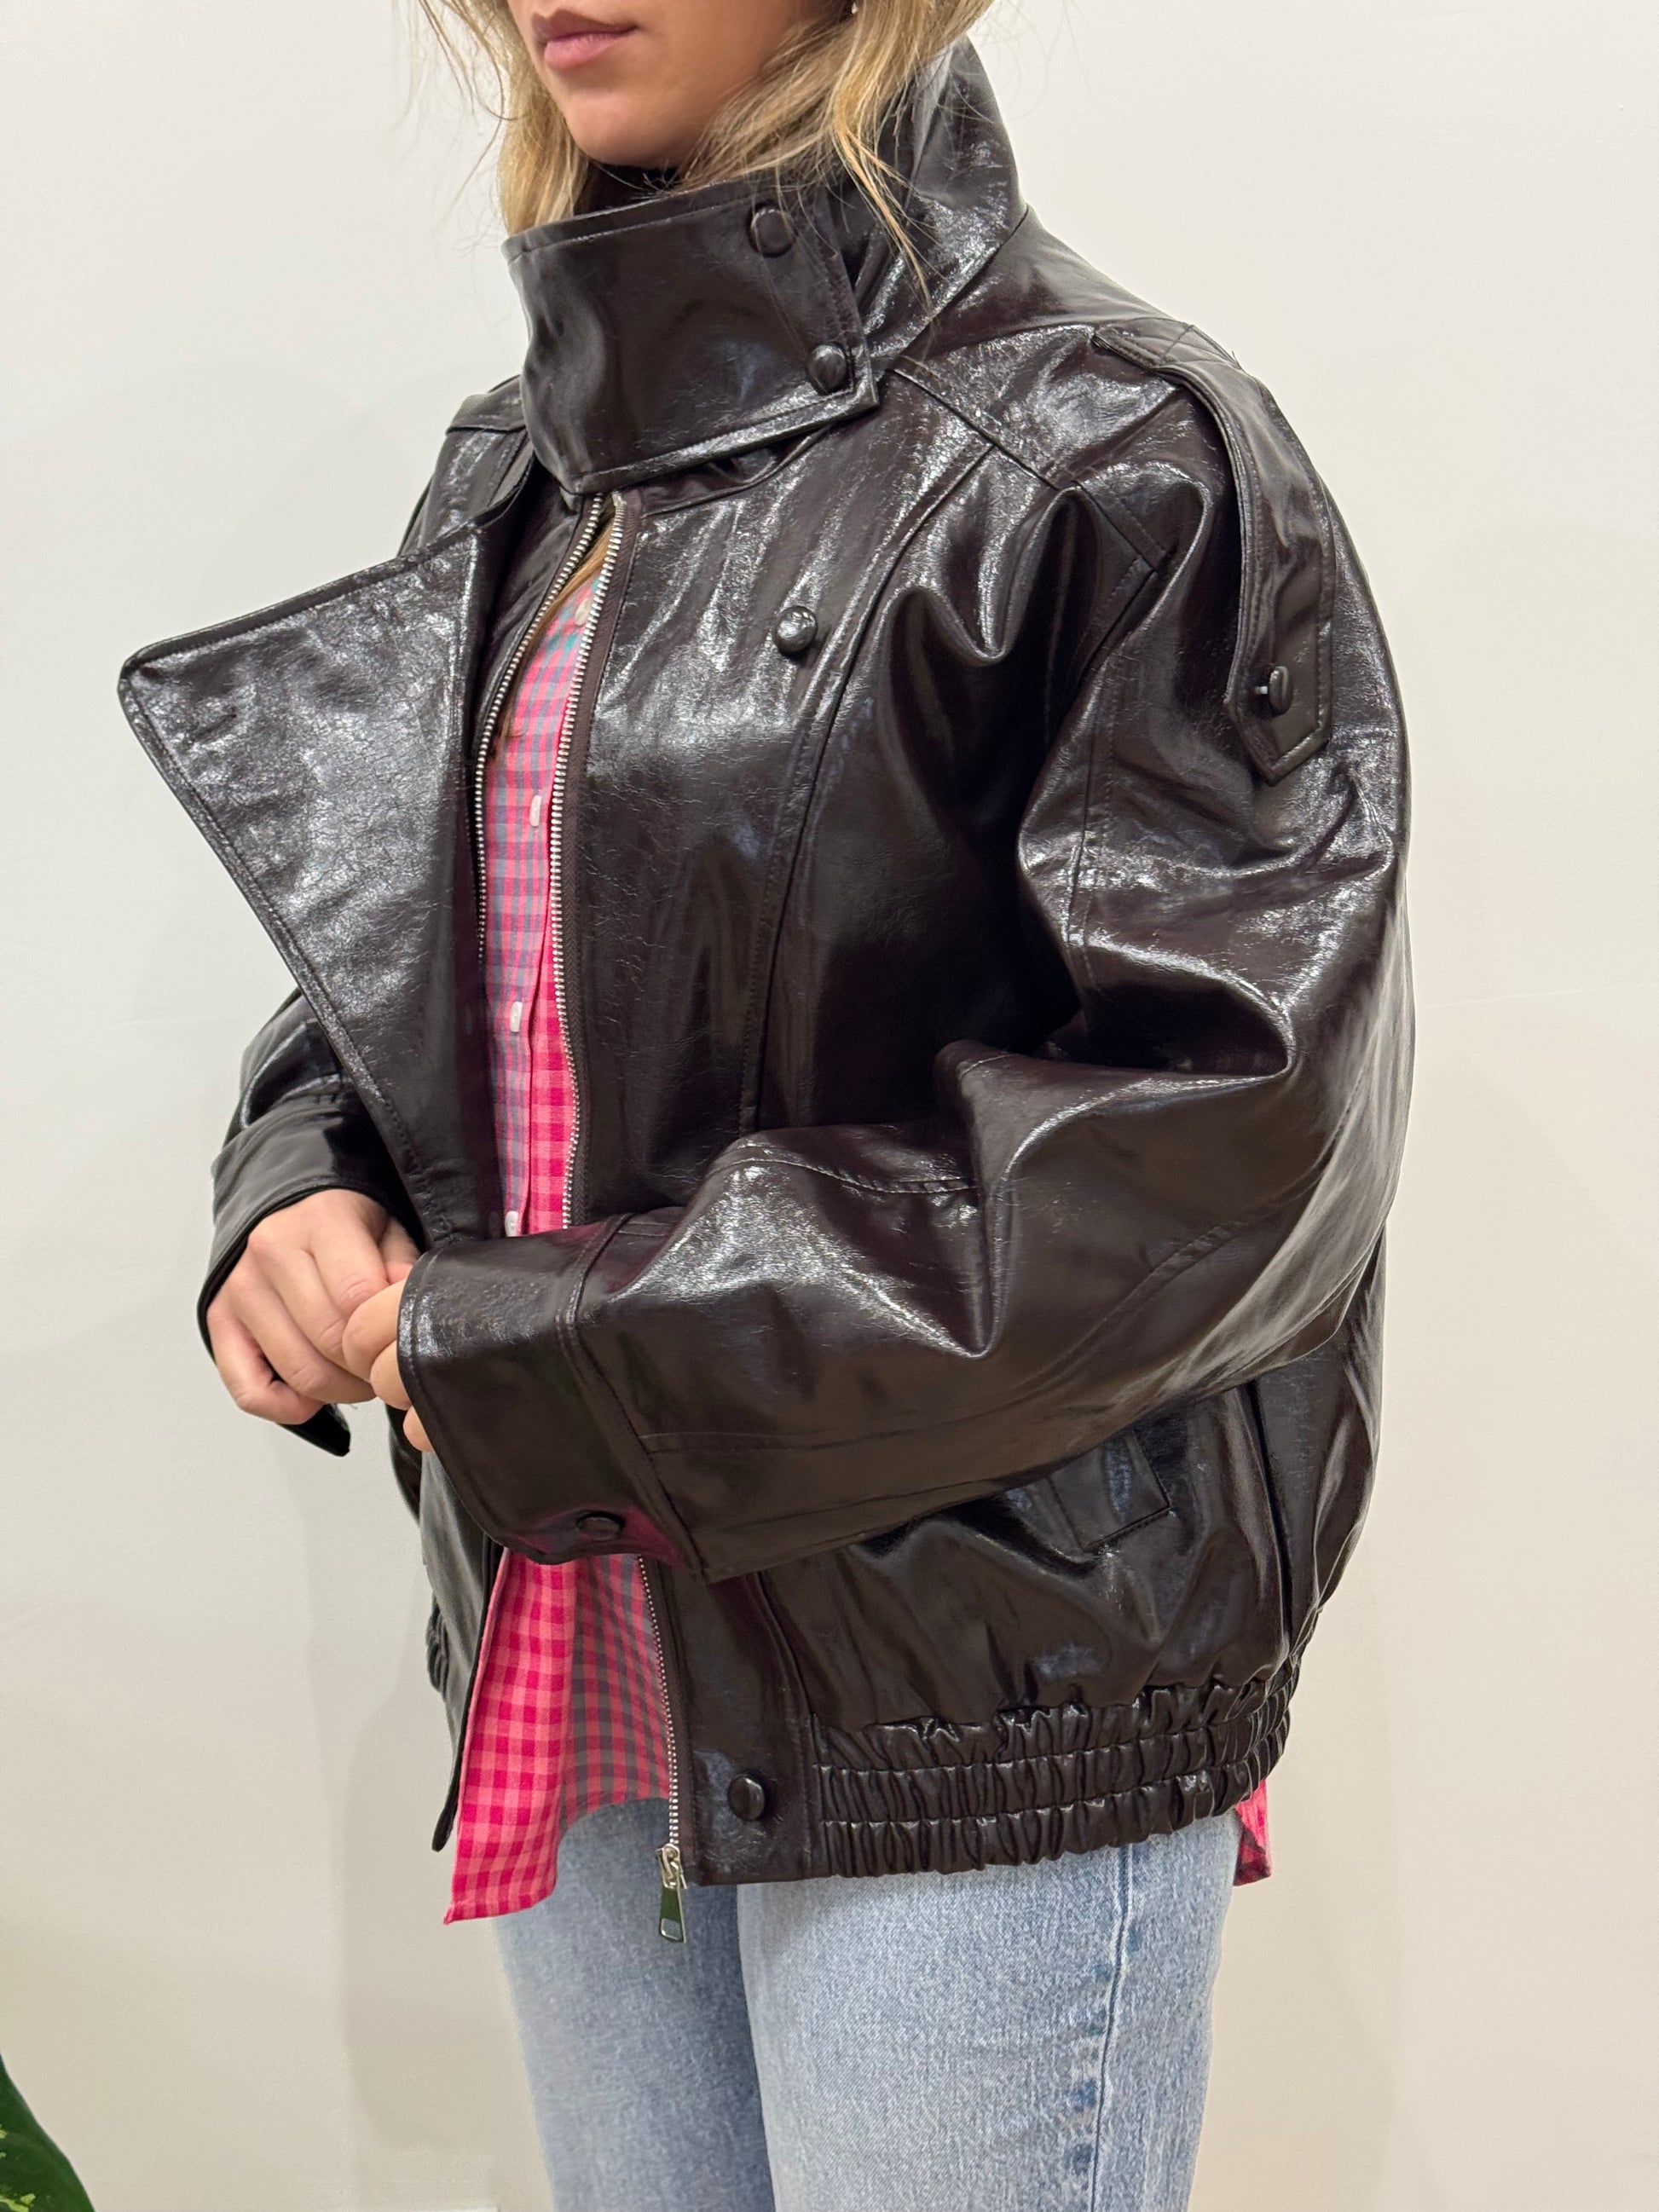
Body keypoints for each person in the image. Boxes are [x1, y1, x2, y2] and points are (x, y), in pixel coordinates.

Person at [118, 2, 1412, 2205]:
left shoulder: (1113, 452)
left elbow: (1207, 1146)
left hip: (975, 1689)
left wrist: (540, 1344)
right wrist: (297, 1175)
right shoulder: (527, 469)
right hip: (579, 1628)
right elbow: (441, 972)